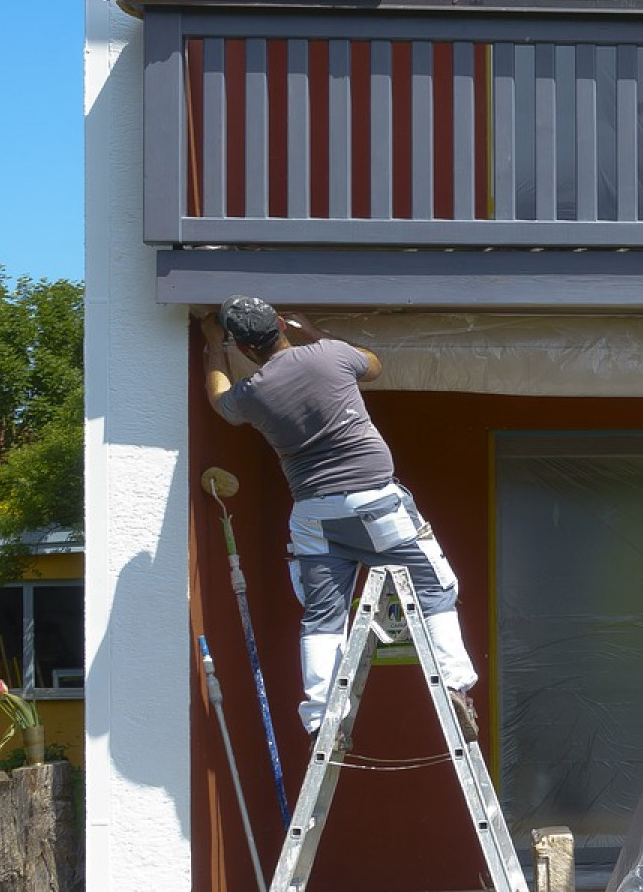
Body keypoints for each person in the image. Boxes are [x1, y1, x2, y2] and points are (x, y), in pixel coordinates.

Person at [198, 295, 481, 741]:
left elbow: (219, 401)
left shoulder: (253, 393)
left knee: (322, 617)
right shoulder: (329, 355)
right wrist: (314, 332)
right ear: (281, 326)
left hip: (313, 516)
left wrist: (214, 347)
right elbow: (373, 366)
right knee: (435, 590)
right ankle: (454, 687)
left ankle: (320, 720)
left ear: (246, 350)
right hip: (376, 505)